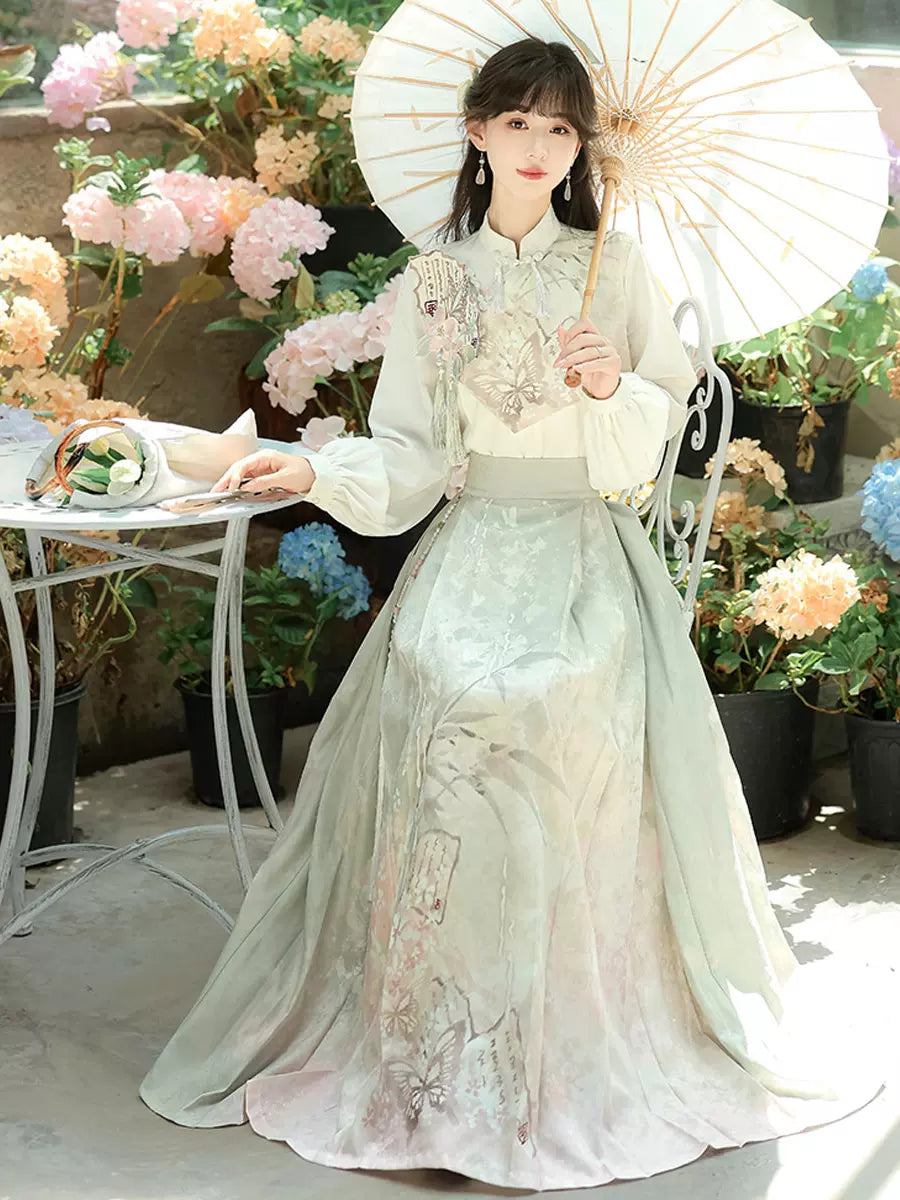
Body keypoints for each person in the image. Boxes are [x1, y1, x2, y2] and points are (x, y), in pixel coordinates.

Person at [139, 37, 885, 1191]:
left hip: (586, 553)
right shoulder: (437, 277)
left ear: (582, 147)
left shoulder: (614, 265)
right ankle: (442, 1040)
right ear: (477, 131)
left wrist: (612, 386)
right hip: (472, 543)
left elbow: (656, 436)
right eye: (520, 123)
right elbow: (410, 453)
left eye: (561, 128)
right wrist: (314, 470)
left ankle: (562, 1034)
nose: (540, 147)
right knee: (451, 685)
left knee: (547, 694)